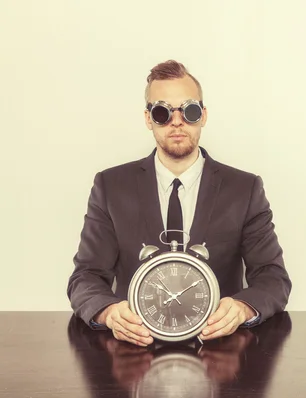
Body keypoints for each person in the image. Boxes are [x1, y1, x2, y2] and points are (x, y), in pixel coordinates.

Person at [67, 60, 292, 347]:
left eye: (190, 110)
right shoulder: (111, 186)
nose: (177, 121)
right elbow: (86, 276)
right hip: (134, 353)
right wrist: (109, 313)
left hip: (219, 353)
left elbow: (273, 277)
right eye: (162, 112)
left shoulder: (244, 189)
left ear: (203, 115)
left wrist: (241, 309)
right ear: (148, 118)